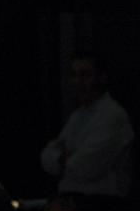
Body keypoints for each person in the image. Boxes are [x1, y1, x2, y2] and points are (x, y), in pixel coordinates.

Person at [41, 53, 134, 199]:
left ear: (102, 77)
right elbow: (46, 159)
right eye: (74, 75)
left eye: (85, 75)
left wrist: (61, 157)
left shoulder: (113, 116)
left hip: (101, 205)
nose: (78, 82)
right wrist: (67, 158)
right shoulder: (77, 115)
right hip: (72, 201)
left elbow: (86, 167)